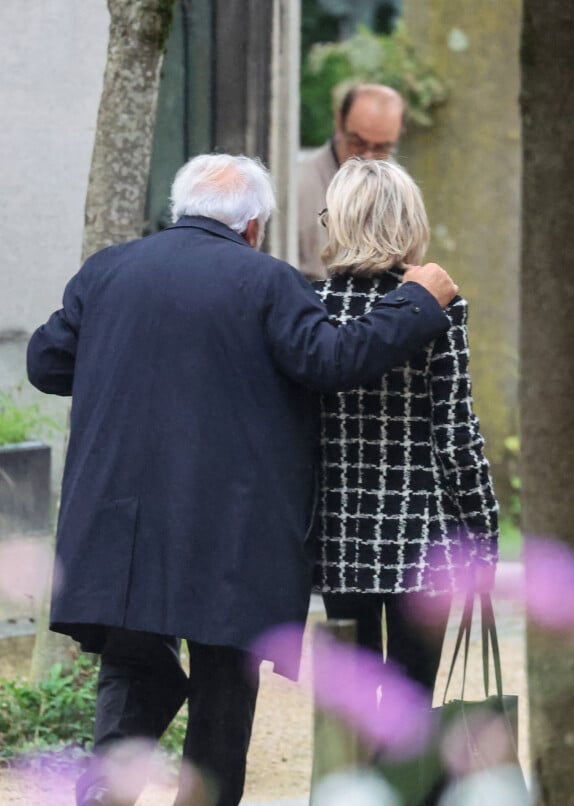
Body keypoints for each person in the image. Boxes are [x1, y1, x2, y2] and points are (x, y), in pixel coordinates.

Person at [26, 153, 458, 806]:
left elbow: (46, 363)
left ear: (180, 211)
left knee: (132, 661)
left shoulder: (107, 272)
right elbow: (332, 361)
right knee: (224, 690)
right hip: (227, 530)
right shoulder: (267, 283)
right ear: (253, 225)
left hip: (122, 526)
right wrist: (418, 302)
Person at [313, 157, 499, 704]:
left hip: (339, 531)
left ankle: (350, 789)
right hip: (421, 535)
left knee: (352, 709)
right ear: (408, 223)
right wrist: (483, 535)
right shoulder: (438, 307)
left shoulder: (310, 309)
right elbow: (456, 431)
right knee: (412, 708)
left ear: (340, 221)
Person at [298, 83, 405, 279]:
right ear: (339, 123)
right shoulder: (299, 185)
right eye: (358, 143)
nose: (368, 157)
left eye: (382, 148)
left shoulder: (402, 193)